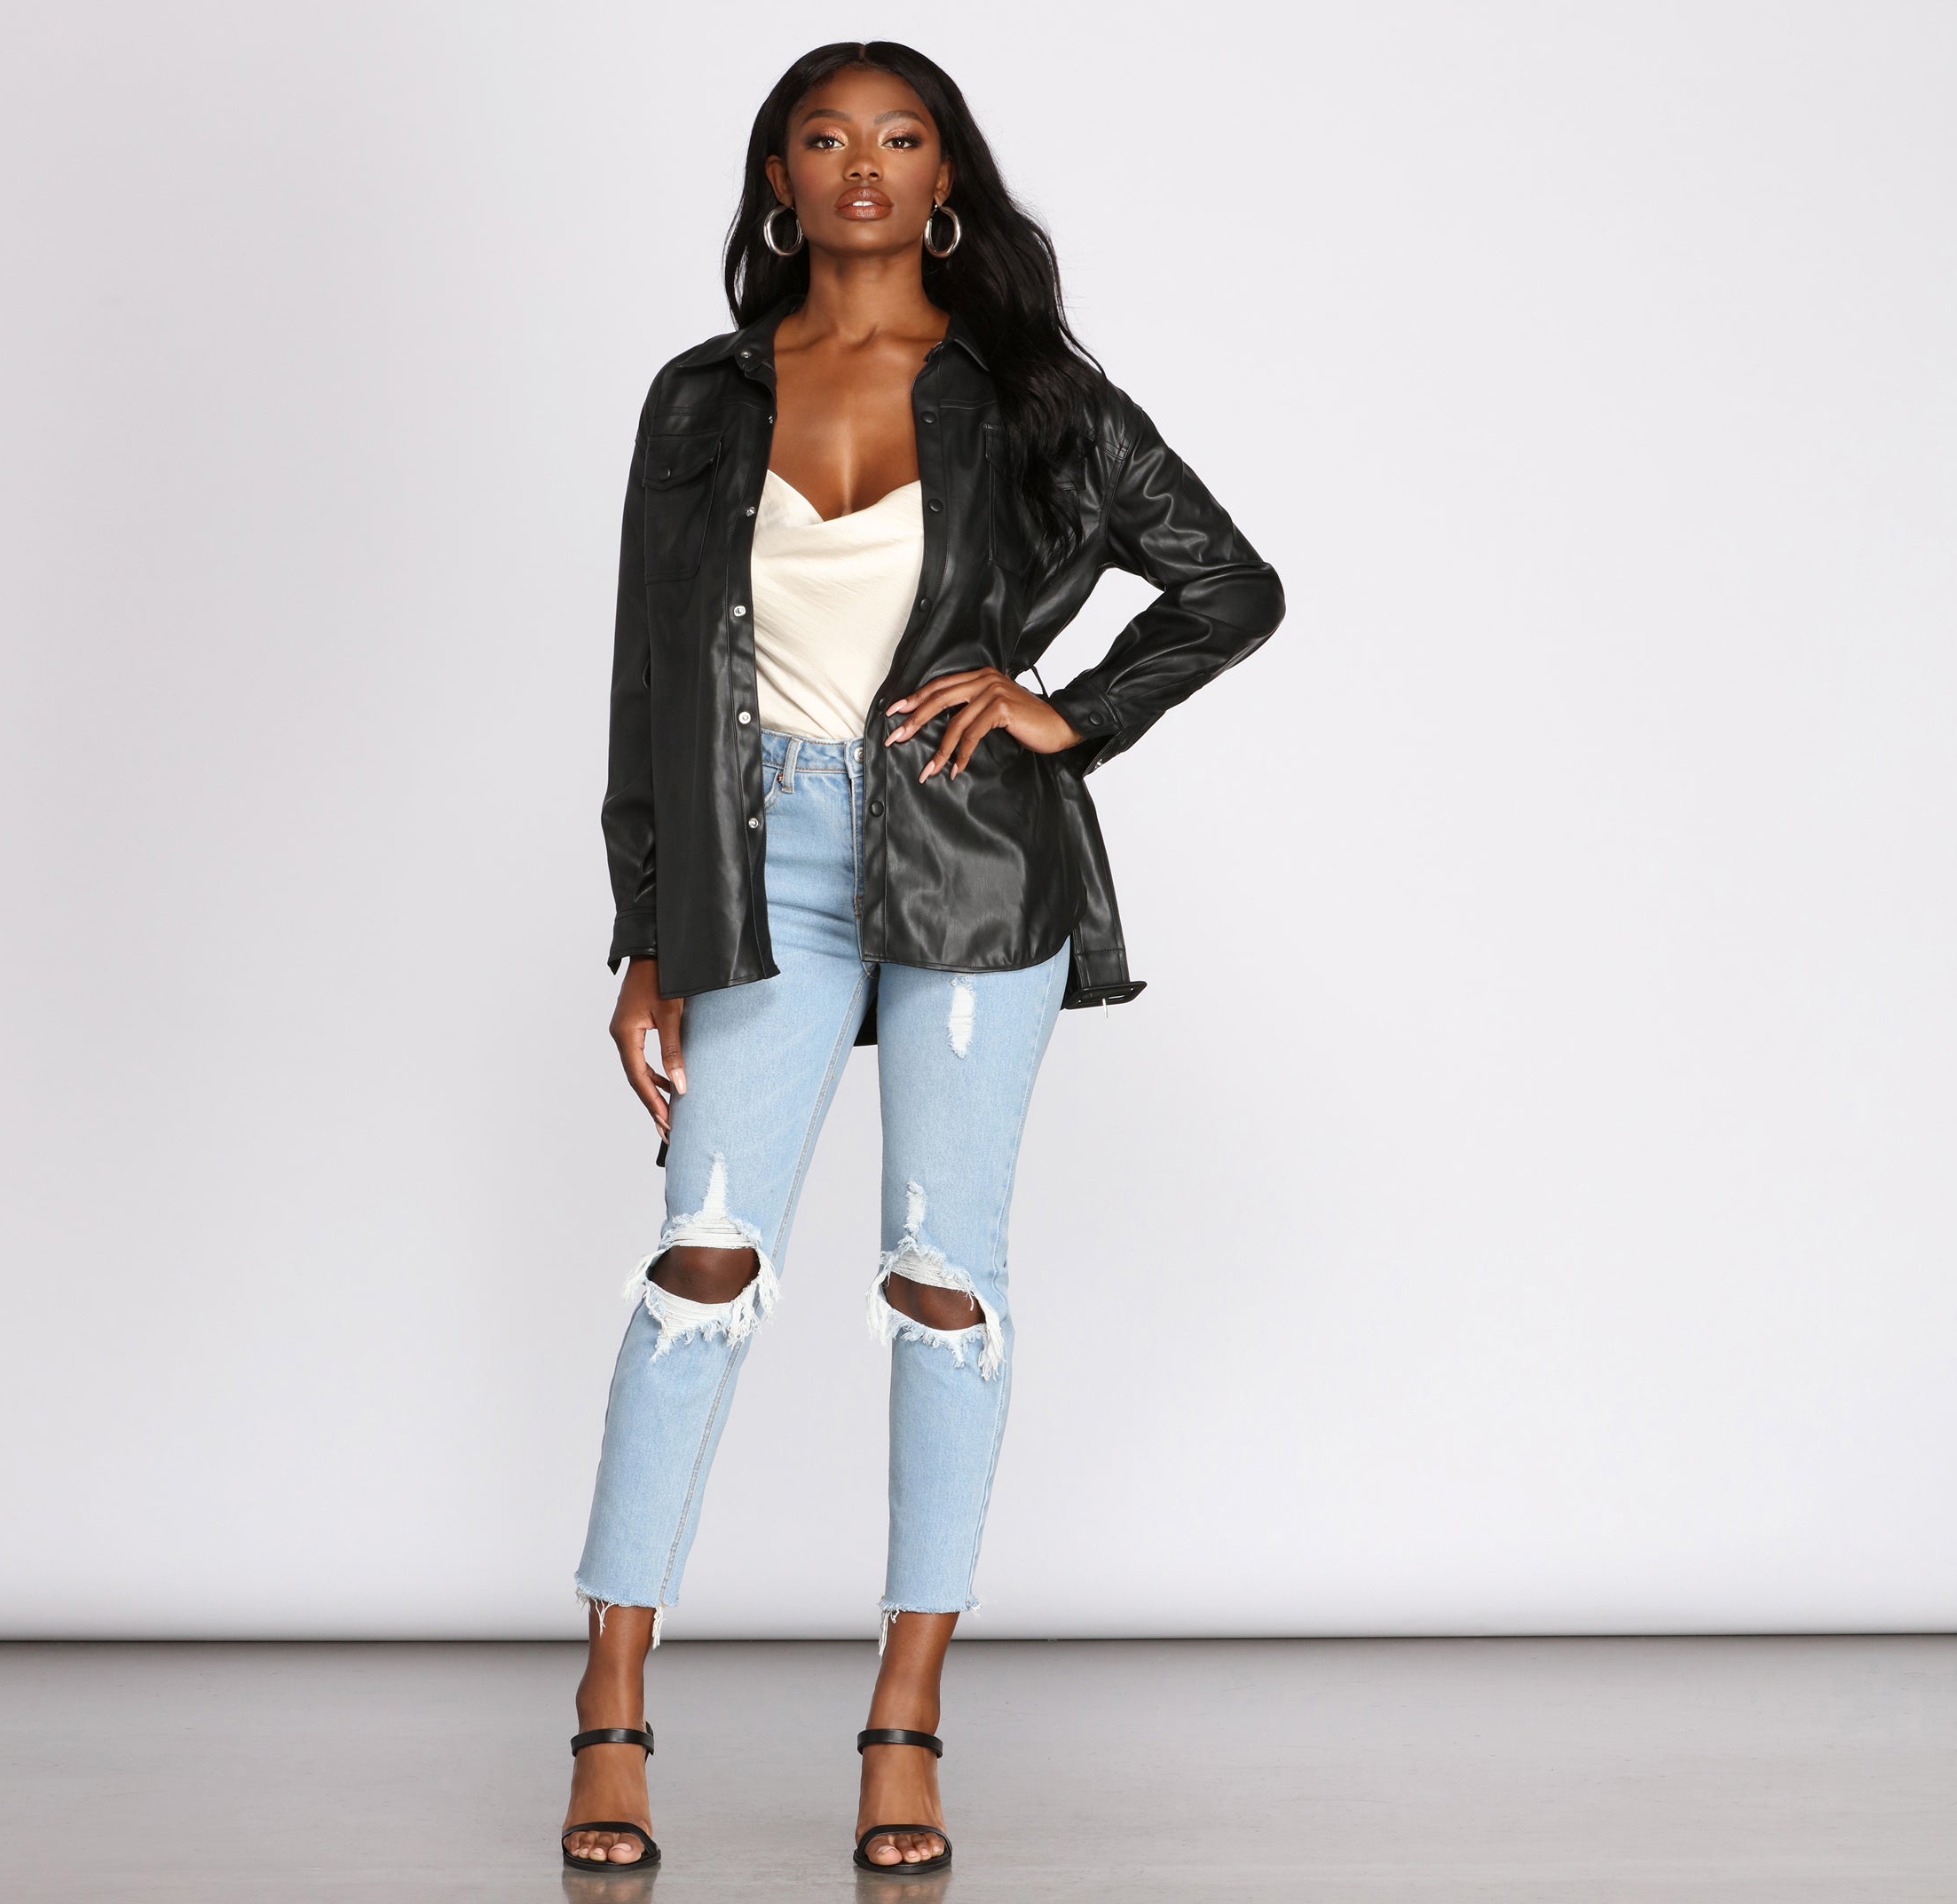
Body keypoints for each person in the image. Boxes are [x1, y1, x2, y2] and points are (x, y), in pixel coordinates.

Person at [562, 40, 1285, 1876]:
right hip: (758, 863)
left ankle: (904, 1724)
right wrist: (646, 928)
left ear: (945, 171)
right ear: (778, 178)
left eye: (900, 136)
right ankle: (610, 1710)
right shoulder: (699, 400)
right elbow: (647, 675)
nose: (862, 165)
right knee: (700, 1262)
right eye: (824, 137)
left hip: (971, 862)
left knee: (941, 1280)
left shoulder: (1027, 394)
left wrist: (1067, 709)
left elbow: (1227, 581)